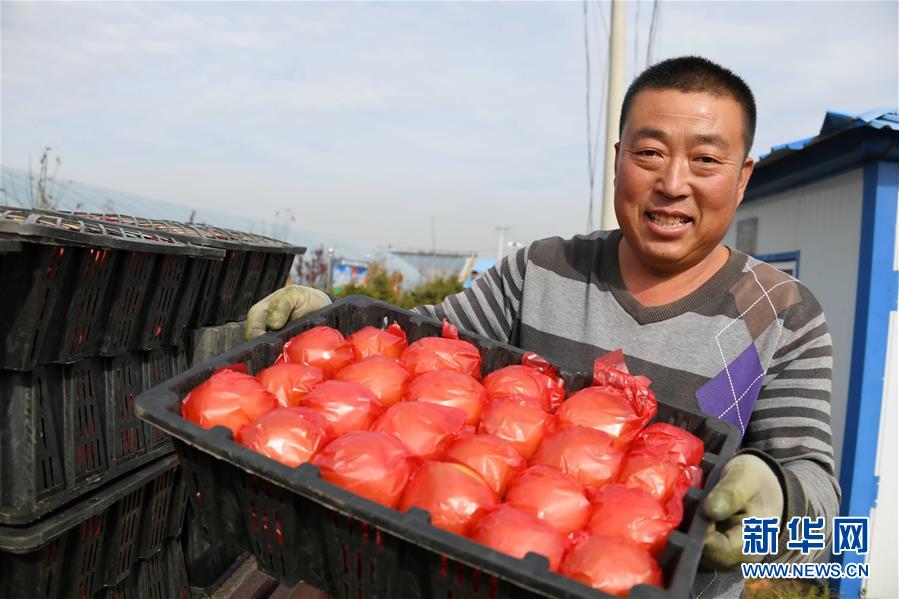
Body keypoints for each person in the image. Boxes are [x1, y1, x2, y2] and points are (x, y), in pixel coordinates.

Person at [245, 56, 839, 598]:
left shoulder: (783, 314)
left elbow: (825, 523)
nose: (673, 183)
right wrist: (325, 324)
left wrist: (778, 504)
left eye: (706, 160)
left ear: (742, 176)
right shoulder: (543, 269)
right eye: (650, 153)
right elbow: (414, 354)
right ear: (618, 161)